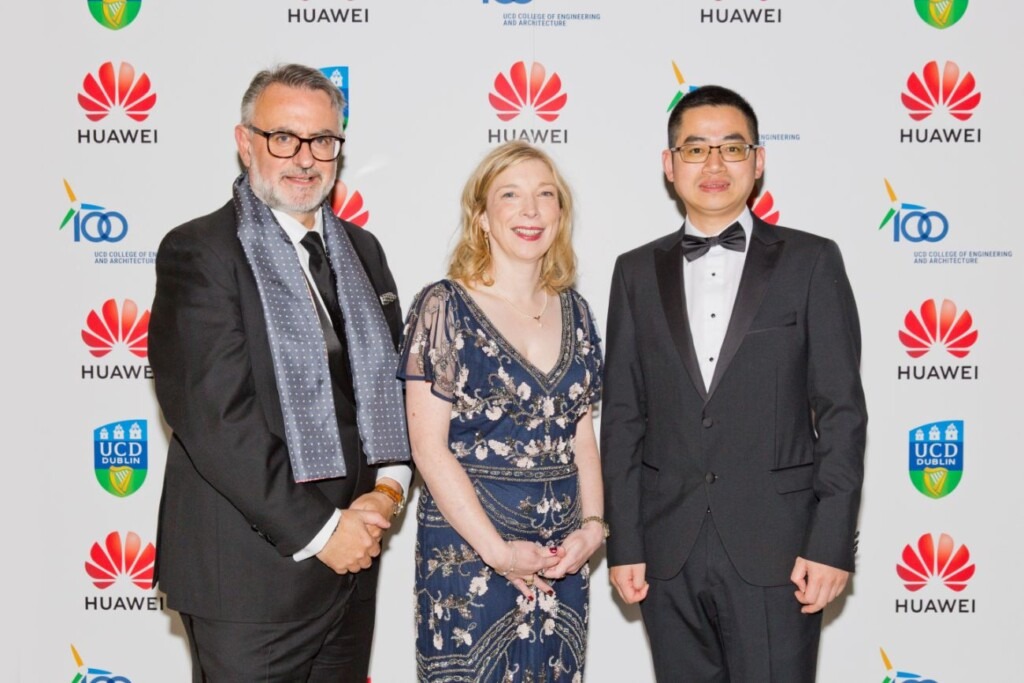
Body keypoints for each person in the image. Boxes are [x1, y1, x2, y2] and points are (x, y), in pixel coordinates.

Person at [149, 63, 412, 682]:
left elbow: (389, 393)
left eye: (322, 140)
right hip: (250, 580)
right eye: (284, 138)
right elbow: (216, 421)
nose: (305, 158)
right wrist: (324, 532)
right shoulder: (200, 251)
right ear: (246, 143)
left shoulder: (362, 251)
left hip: (354, 565)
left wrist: (386, 493)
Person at [601, 85, 867, 682]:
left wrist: (829, 542)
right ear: (670, 164)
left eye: (732, 147)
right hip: (667, 550)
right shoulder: (634, 271)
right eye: (696, 149)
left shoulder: (812, 261)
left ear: (759, 159)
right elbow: (622, 417)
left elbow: (842, 413)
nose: (714, 164)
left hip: (781, 550)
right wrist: (627, 543)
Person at [399, 141, 606, 682]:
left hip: (561, 560)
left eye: (545, 195)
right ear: (482, 217)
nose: (530, 210)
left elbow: (582, 437)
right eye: (510, 195)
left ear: (560, 213)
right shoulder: (443, 306)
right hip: (470, 553)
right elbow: (428, 449)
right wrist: (498, 552)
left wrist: (592, 528)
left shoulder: (577, 311)